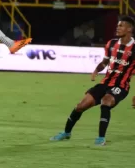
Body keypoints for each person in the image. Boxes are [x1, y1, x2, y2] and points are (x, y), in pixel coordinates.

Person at [50, 15, 135, 146]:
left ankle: (101, 138)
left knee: (106, 102)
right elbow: (105, 61)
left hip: (121, 86)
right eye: (117, 25)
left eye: (121, 25)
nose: (117, 28)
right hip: (105, 82)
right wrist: (96, 70)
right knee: (80, 106)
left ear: (129, 29)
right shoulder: (111, 44)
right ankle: (66, 133)